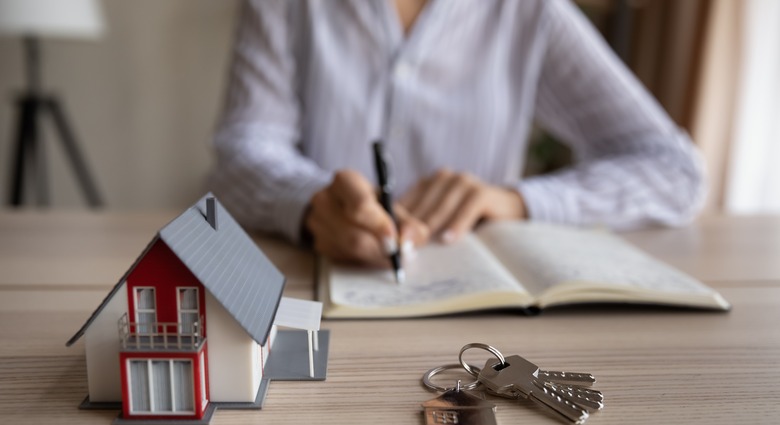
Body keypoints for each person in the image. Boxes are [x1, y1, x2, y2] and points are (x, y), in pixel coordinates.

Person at [209, 0, 705, 268]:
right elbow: (241, 152)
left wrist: (516, 202)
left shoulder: (528, 12)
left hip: (478, 320)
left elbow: (675, 170)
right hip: (312, 289)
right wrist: (311, 203)